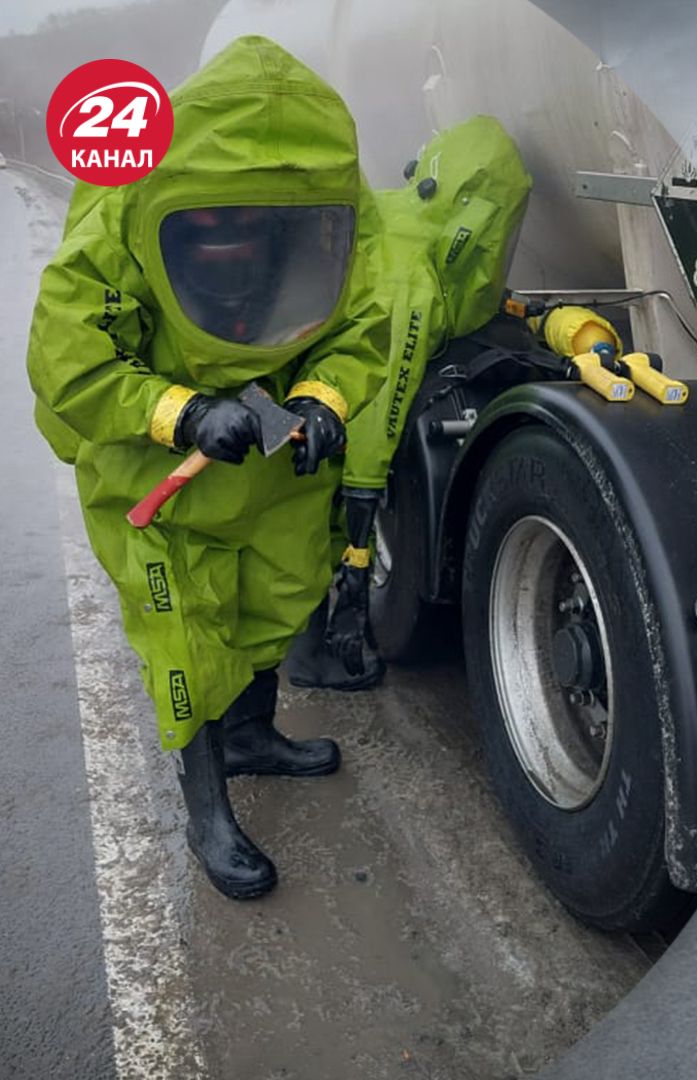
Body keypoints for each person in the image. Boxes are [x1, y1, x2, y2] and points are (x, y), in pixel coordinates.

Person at [27, 37, 388, 900]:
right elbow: (69, 356)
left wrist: (324, 401)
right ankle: (206, 812)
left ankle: (253, 736)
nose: (233, 240)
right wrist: (177, 409)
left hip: (267, 465)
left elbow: (362, 319)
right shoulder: (123, 205)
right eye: (213, 224)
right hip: (157, 476)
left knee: (273, 598)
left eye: (253, 224)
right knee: (185, 639)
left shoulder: (336, 209)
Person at [284, 115, 533, 690]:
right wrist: (357, 562)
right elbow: (378, 417)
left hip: (300, 382)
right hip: (324, 403)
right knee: (314, 521)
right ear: (477, 223)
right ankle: (307, 658)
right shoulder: (412, 283)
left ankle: (293, 647)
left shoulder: (403, 220)